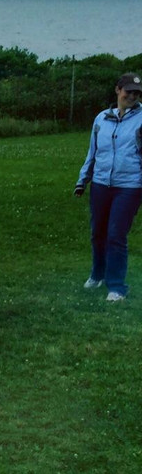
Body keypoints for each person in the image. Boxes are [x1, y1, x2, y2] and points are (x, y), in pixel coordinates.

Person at [74, 72, 142, 302]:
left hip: (130, 186)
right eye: (128, 91)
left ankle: (117, 287)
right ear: (117, 90)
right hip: (101, 184)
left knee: (115, 235)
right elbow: (93, 152)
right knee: (98, 233)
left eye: (136, 93)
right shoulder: (101, 119)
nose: (132, 96)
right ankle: (97, 274)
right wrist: (83, 180)